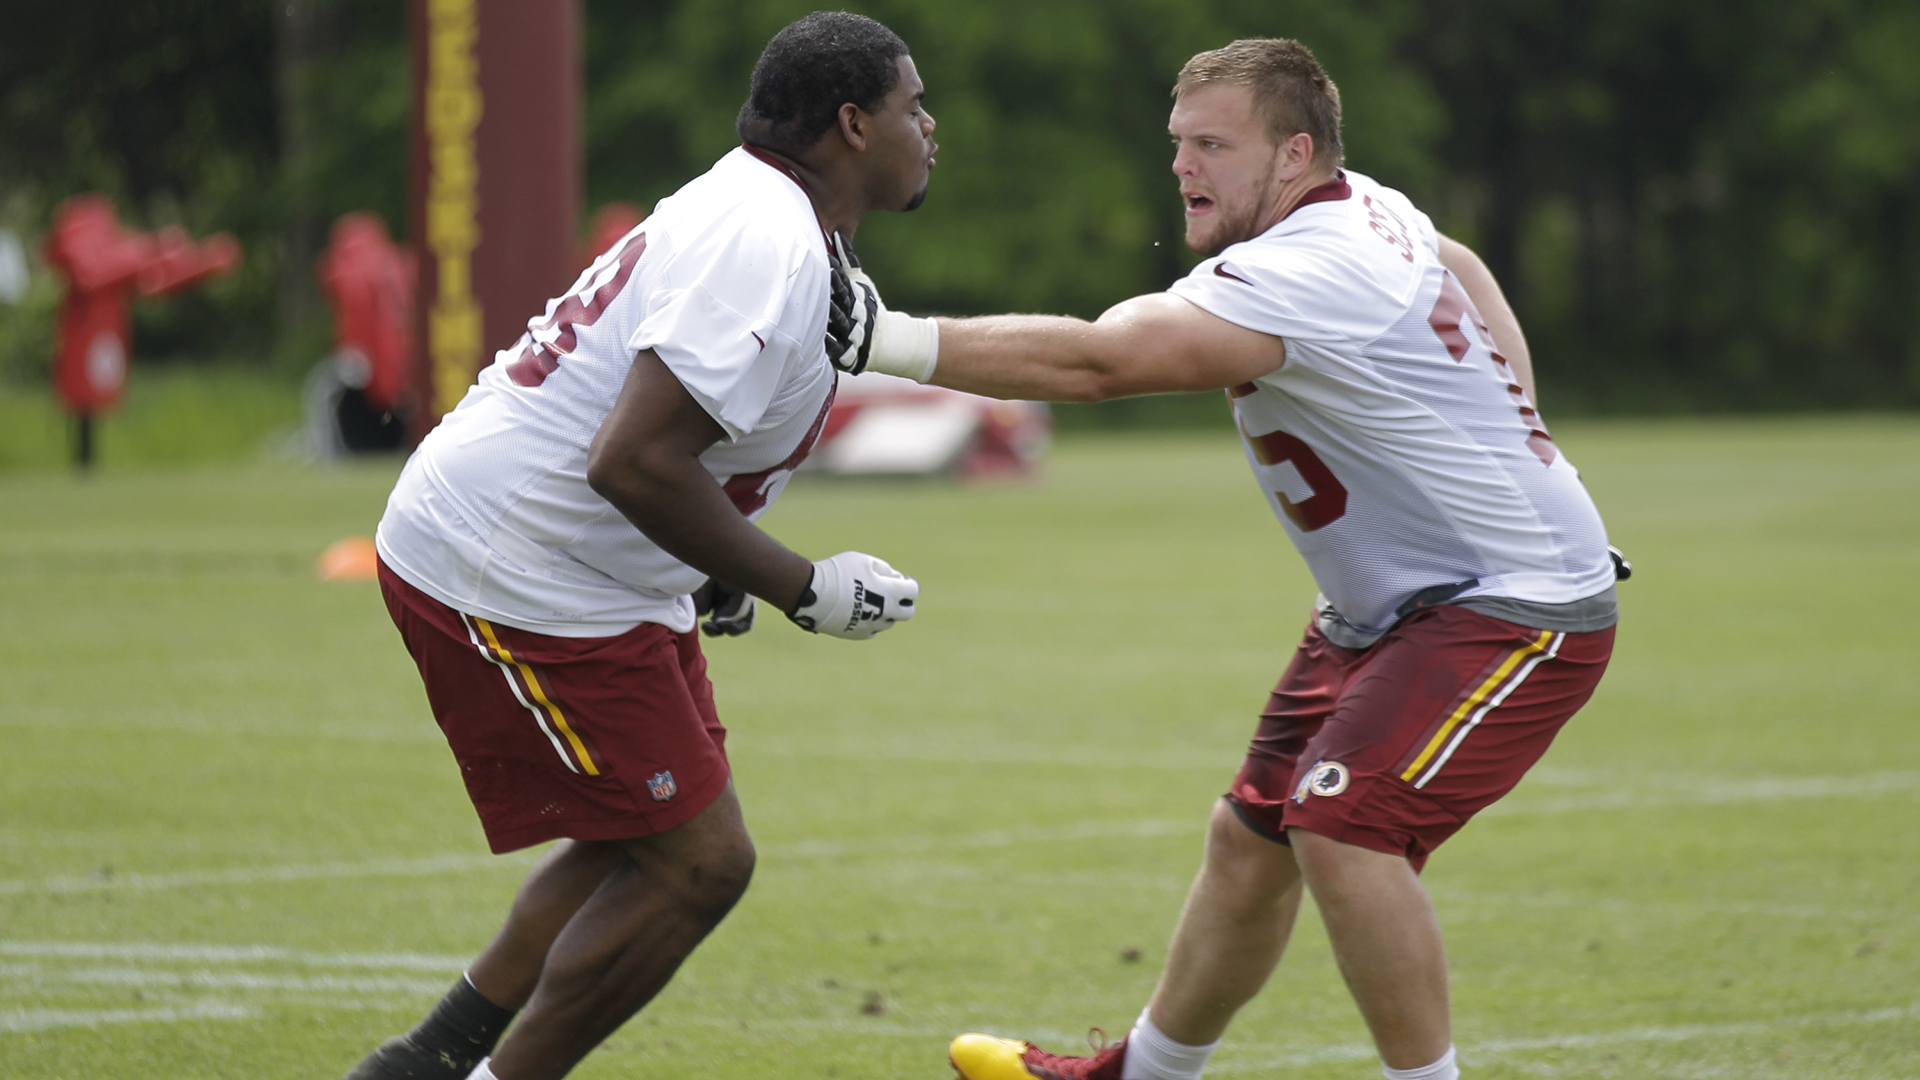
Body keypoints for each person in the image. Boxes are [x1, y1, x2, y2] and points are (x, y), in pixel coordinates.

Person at [844, 37, 1621, 1080]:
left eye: (1213, 144)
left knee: (1344, 829)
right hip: (1385, 607)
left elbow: (1102, 362)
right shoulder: (1364, 208)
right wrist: (1527, 427)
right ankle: (1144, 1075)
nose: (1183, 166)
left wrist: (878, 338)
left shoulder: (1317, 261)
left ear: (1295, 154)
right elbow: (1462, 264)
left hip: (1508, 603)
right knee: (1250, 842)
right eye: (1177, 143)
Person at [341, 13, 936, 1080]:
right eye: (911, 106)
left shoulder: (771, 211)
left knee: (643, 829)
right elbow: (637, 460)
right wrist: (806, 586)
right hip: (519, 563)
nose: (928, 126)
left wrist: (708, 560)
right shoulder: (766, 239)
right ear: (852, 123)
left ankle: (425, 1064)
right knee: (699, 864)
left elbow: (652, 440)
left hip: (585, 560)